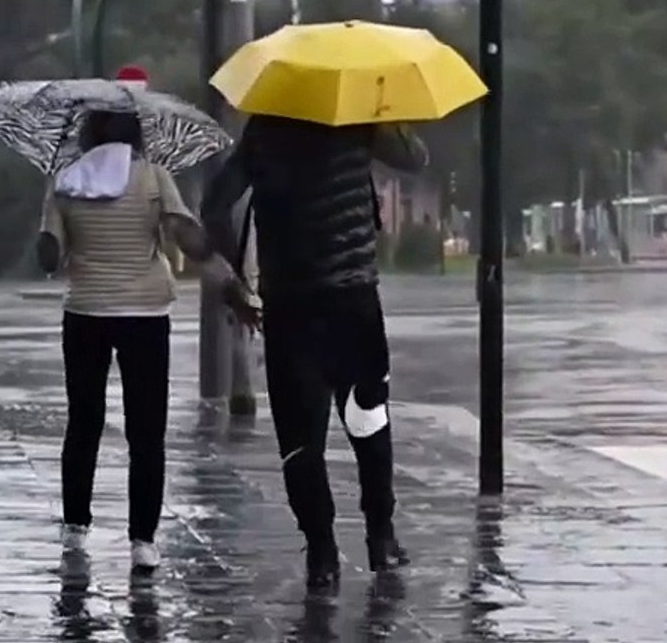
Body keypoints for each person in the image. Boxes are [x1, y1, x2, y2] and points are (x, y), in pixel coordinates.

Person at [200, 114, 428, 590]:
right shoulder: (357, 119)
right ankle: (381, 538)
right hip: (353, 302)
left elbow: (215, 204)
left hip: (290, 306)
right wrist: (387, 114)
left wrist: (234, 279)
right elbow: (414, 158)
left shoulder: (264, 128)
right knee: (369, 423)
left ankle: (321, 553)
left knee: (300, 439)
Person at [38, 110, 257, 573]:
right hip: (146, 315)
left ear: (88, 134)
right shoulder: (154, 177)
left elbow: (49, 257)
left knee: (83, 423)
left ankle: (75, 527)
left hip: (86, 313)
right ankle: (143, 540)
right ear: (136, 134)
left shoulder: (66, 181)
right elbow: (190, 240)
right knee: (146, 431)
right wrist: (231, 286)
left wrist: (53, 222)